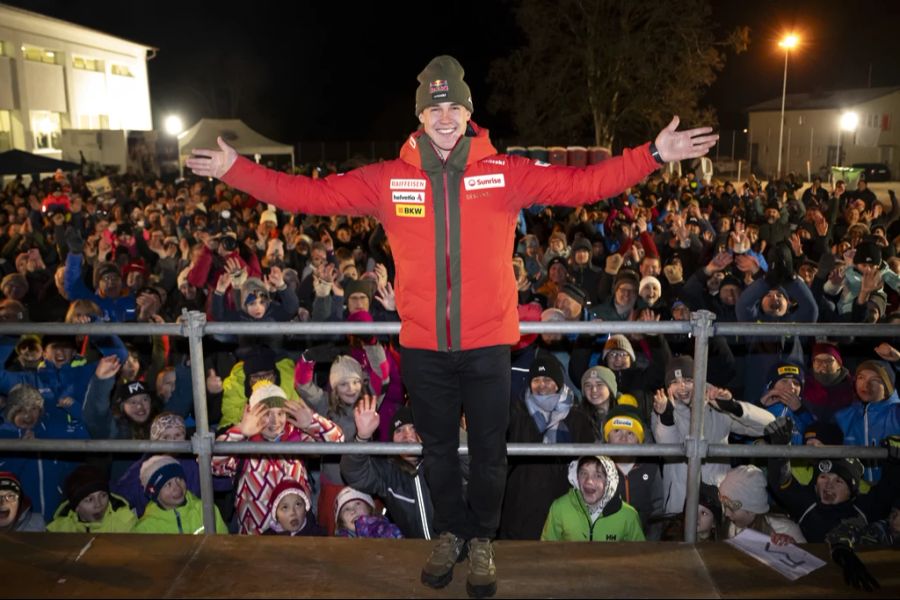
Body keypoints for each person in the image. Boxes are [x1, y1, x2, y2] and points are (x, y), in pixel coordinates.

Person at [186, 54, 716, 598]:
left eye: (454, 106)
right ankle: (449, 532)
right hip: (424, 346)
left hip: (487, 343)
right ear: (420, 116)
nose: (444, 116)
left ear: (469, 112)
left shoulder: (503, 172)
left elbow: (583, 184)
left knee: (490, 452)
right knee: (437, 451)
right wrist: (236, 170)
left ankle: (482, 538)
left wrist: (653, 154)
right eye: (434, 107)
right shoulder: (390, 179)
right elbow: (312, 196)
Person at [540, 455, 645, 542]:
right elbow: (546, 551)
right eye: (583, 473)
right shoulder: (559, 508)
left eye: (598, 475)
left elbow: (639, 557)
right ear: (576, 477)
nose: (589, 481)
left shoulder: (628, 515)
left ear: (609, 481)